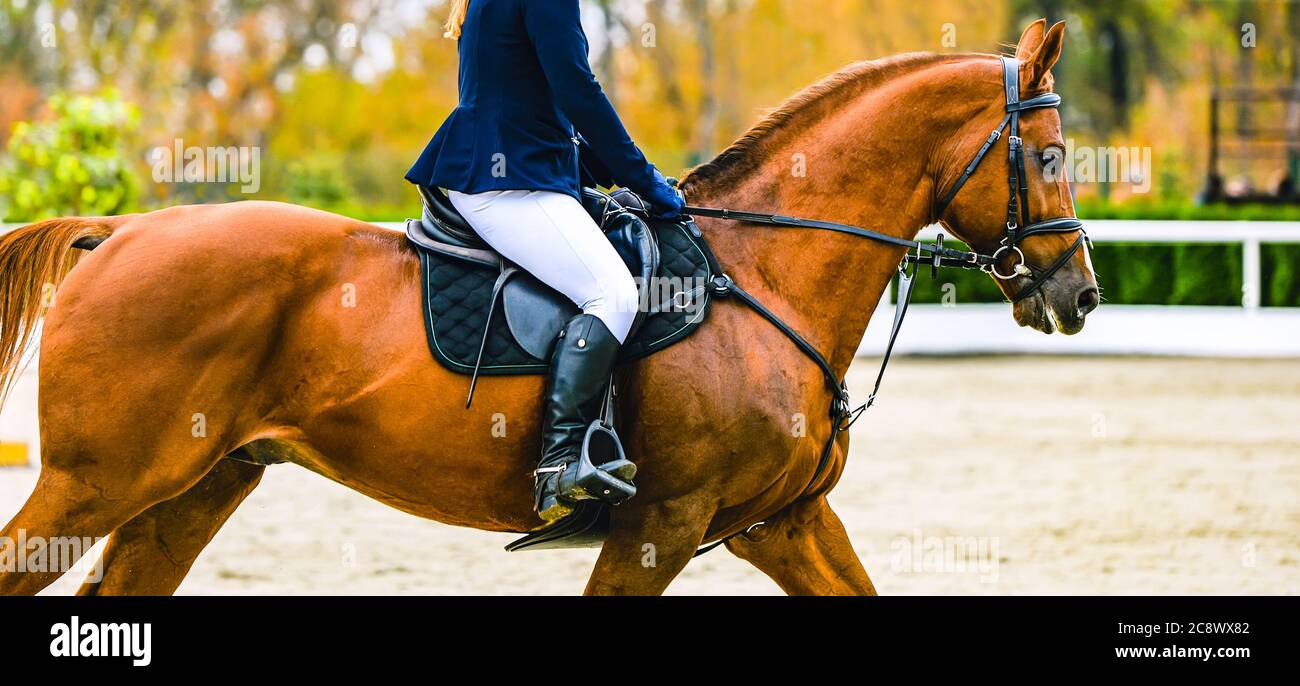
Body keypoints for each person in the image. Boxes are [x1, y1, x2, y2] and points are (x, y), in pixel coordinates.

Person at [405, 0, 684, 524]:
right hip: (509, 180)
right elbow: (577, 88)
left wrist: (610, 170)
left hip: (513, 163)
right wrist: (643, 178)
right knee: (614, 293)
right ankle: (559, 463)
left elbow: (534, 93)